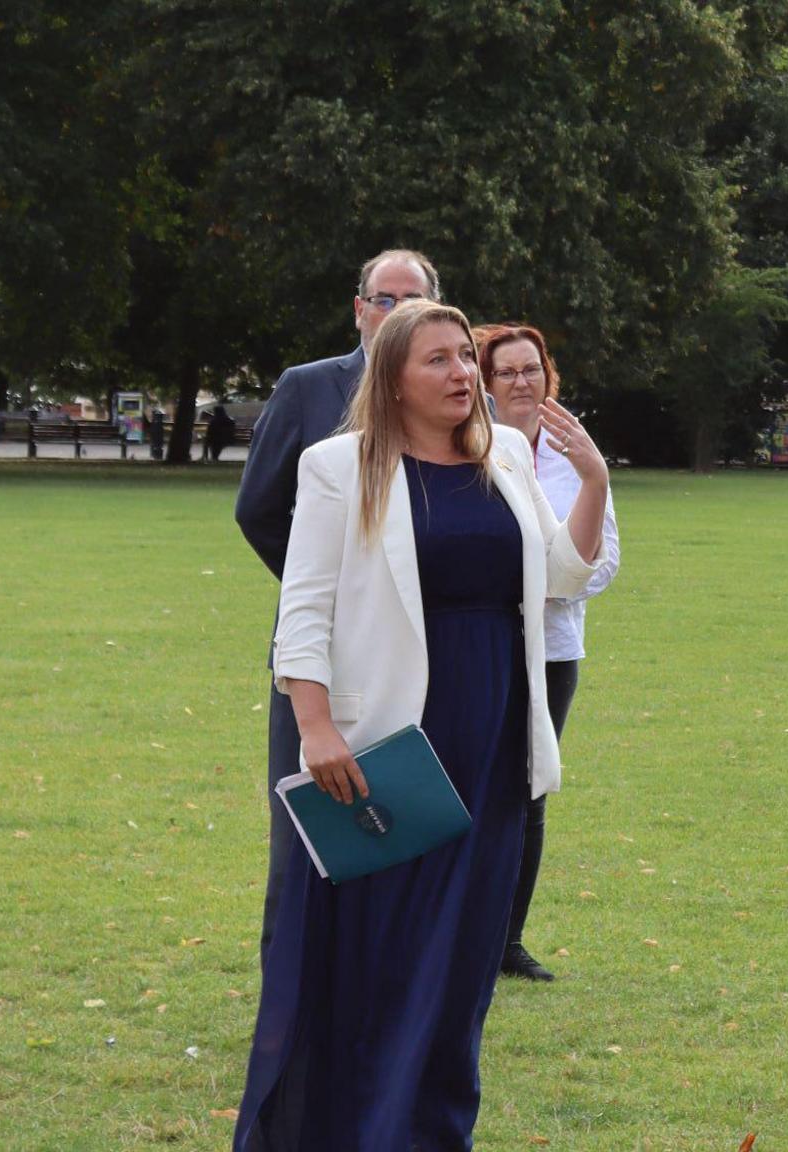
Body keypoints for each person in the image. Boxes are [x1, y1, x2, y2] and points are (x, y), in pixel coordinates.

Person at [233, 300, 610, 1149]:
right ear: (394, 381)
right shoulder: (340, 467)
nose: (464, 375)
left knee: (465, 958)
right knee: (384, 954)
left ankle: (434, 1133)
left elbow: (560, 578)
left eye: (464, 360)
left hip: (496, 737)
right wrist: (314, 727)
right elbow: (304, 611)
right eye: (438, 361)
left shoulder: (508, 455)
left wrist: (592, 483)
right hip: (389, 742)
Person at [234, 248, 443, 963]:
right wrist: (323, 593)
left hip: (418, 651)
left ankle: (392, 982)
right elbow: (260, 509)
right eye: (383, 299)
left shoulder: (448, 394)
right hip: (319, 655)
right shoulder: (309, 389)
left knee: (407, 819)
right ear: (360, 309)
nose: (394, 312)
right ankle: (289, 981)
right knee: (309, 824)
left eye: (411, 299)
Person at [476, 322, 621, 981]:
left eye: (531, 368)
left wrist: (547, 590)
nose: (521, 381)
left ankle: (507, 941)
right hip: (478, 640)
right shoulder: (468, 446)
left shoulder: (575, 453)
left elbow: (606, 559)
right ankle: (455, 933)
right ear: (485, 382)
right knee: (466, 783)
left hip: (552, 649)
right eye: (506, 371)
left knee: (527, 791)